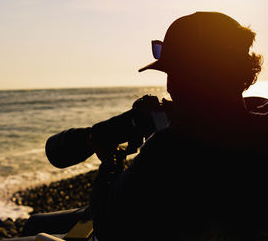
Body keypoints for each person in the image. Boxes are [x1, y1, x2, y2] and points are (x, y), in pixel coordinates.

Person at [90, 12, 268, 240]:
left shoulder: (170, 148)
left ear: (193, 76)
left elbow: (110, 226)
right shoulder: (259, 124)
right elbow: (230, 116)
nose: (170, 85)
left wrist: (109, 161)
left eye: (174, 72)